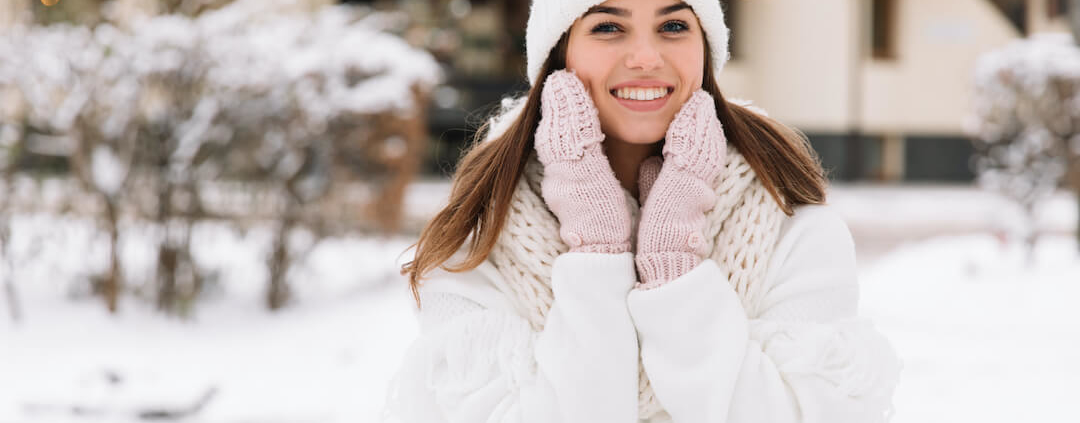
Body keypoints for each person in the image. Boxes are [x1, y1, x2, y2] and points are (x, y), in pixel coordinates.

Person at [387, 0, 903, 422]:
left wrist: (675, 267)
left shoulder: (790, 226)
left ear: (706, 51)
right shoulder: (480, 239)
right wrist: (596, 249)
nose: (645, 57)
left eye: (674, 25)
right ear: (559, 52)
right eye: (609, 26)